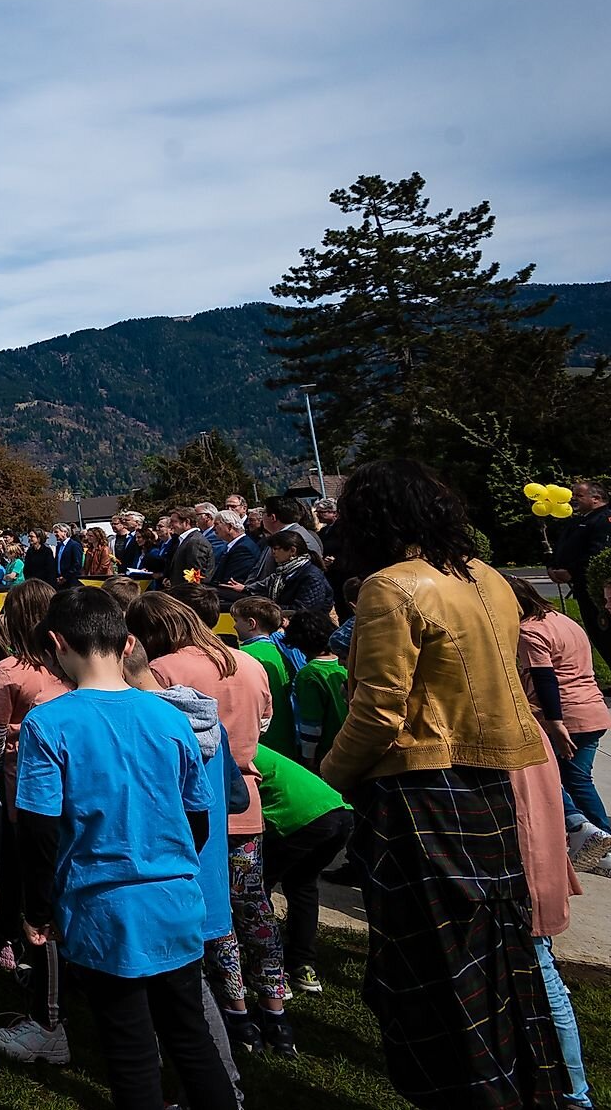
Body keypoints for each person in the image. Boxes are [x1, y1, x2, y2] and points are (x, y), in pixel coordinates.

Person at [319, 459, 560, 1110]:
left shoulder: (390, 586)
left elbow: (376, 711)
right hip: (489, 785)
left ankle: (464, 1091)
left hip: (421, 789)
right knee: (496, 951)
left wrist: (329, 779)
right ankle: (519, 1085)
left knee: (431, 962)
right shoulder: (489, 578)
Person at [16, 586, 234, 1110]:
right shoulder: (170, 718)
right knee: (190, 1035)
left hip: (102, 908)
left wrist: (39, 908)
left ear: (55, 643)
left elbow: (38, 831)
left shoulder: (47, 724)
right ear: (128, 641)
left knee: (131, 1050)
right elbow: (197, 816)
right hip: (174, 900)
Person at [134, 591, 292, 1054]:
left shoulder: (164, 670)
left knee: (213, 914)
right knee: (256, 909)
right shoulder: (247, 662)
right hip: (246, 800)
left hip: (199, 801)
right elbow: (265, 722)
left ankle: (236, 1013)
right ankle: (276, 1011)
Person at [0, 580, 72, 1063]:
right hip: (77, 796)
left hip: (26, 792)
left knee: (31, 889)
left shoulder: (9, 670)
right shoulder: (71, 666)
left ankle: (46, 1009)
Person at [510, 720, 595, 1109]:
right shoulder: (524, 720)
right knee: (541, 975)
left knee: (543, 977)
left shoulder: (496, 727)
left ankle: (573, 1093)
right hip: (539, 865)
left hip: (520, 873)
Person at [505, 575, 611, 853]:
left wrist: (555, 723)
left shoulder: (528, 631)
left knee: (547, 775)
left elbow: (544, 678)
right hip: (593, 709)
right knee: (577, 779)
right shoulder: (562, 620)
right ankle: (598, 837)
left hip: (567, 714)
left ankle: (594, 835)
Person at [256, 746, 351, 997]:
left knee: (256, 887)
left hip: (298, 816)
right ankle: (302, 965)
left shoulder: (229, 748)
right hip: (338, 811)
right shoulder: (251, 744)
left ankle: (269, 966)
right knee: (302, 885)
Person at [548, 477, 610, 656]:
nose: (573, 499)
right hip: (581, 587)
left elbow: (598, 553)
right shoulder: (577, 521)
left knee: (605, 631)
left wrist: (572, 572)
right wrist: (552, 567)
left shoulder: (604, 520)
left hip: (598, 589)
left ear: (596, 498)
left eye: (579, 495)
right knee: (598, 634)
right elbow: (562, 547)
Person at [232, 597, 300, 759]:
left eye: (236, 620)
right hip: (285, 731)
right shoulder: (281, 652)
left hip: (262, 736)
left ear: (251, 623)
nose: (234, 625)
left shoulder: (244, 655)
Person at [287, 610, 347, 772]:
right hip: (347, 746)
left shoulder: (309, 675)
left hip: (325, 753)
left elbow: (311, 723)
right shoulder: (343, 665)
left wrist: (308, 759)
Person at [166, 507, 216, 590]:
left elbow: (196, 574)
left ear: (187, 522)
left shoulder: (195, 542)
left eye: (174, 521)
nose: (170, 525)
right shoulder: (185, 540)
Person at [211, 512, 261, 587]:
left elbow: (231, 581)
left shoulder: (243, 549)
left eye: (216, 524)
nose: (213, 528)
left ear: (230, 526)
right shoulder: (235, 545)